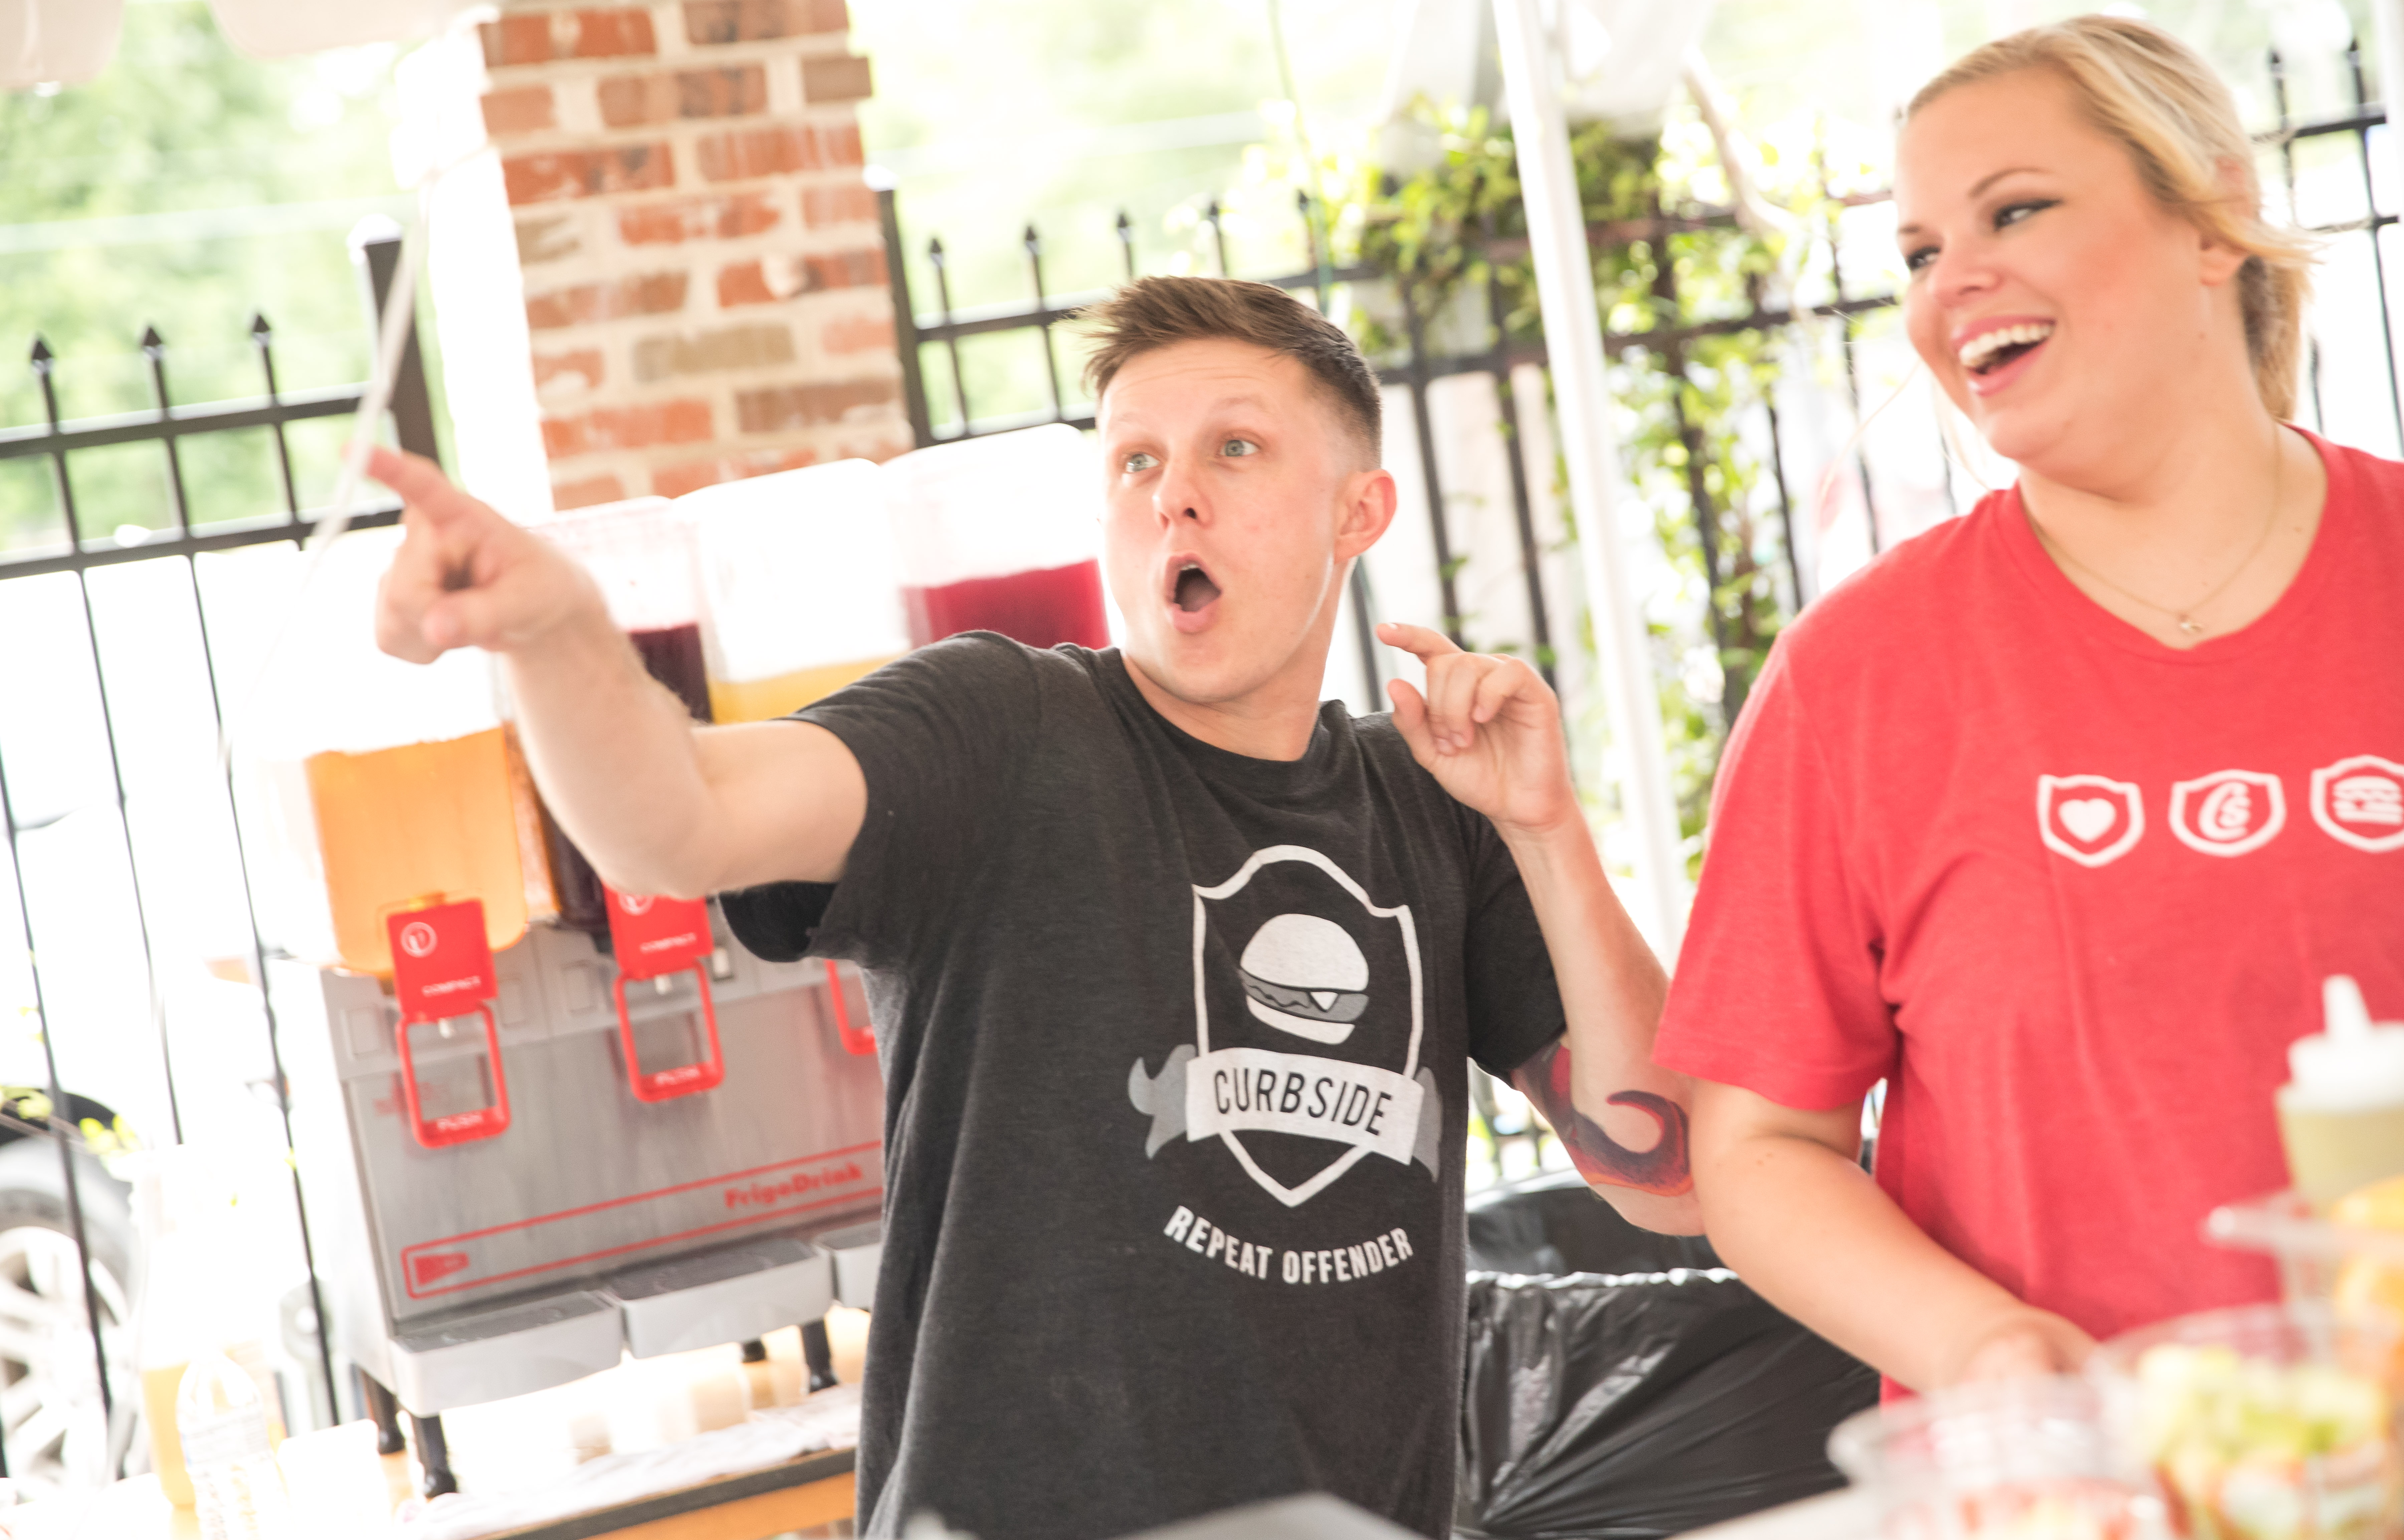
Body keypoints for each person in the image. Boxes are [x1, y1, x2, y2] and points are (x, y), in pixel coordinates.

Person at [367, 275, 1698, 1540]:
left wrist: (1548, 830)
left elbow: (1676, 1177)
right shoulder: (1002, 729)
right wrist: (555, 632)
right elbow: (678, 819)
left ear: (1360, 512)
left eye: (1235, 449)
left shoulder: (1437, 806)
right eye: (1135, 461)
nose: (1174, 495)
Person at [1656, 14, 2404, 1393]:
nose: (1953, 281)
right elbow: (1758, 1148)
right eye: (1919, 252)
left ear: (2214, 219)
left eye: (2016, 211)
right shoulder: (1855, 674)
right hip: (2067, 1481)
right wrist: (1987, 1350)